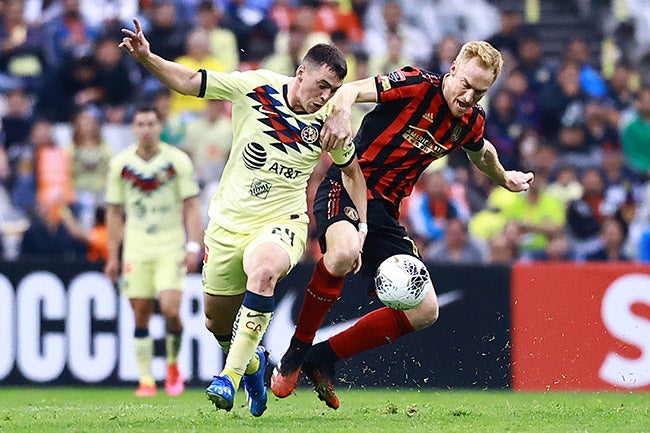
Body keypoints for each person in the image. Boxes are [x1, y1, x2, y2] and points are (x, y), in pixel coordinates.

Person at [119, 19, 368, 416]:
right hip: (227, 224)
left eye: (334, 91)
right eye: (322, 85)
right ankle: (252, 365)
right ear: (300, 72)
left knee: (264, 272)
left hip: (282, 222)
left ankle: (228, 378)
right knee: (217, 322)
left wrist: (361, 228)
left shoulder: (329, 125)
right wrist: (148, 57)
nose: (326, 96)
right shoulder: (255, 86)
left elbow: (354, 175)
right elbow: (187, 81)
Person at [270, 40, 535, 409]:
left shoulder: (468, 122)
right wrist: (343, 111)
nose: (469, 95)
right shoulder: (415, 84)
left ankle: (323, 357)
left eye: (481, 91)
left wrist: (505, 177)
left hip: (385, 213)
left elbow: (482, 150)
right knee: (344, 253)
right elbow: (351, 89)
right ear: (454, 68)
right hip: (346, 185)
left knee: (425, 310)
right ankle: (296, 351)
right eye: (467, 84)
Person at [103, 106, 204, 397]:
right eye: (139, 124)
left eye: (150, 123)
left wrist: (193, 245)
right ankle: (146, 378)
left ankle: (172, 364)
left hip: (169, 245)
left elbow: (192, 205)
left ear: (160, 126)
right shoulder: (120, 165)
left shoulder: (177, 160)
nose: (145, 129)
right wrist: (113, 255)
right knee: (140, 314)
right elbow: (114, 211)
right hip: (135, 247)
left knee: (171, 310)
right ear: (133, 128)